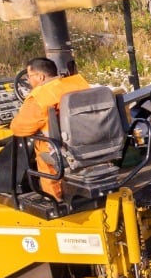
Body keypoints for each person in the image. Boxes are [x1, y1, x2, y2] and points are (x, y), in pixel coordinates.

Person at [9, 57, 92, 199]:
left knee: (40, 146)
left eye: (29, 77)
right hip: (92, 142)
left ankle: (54, 196)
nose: (28, 81)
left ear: (40, 76)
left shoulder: (40, 97)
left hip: (63, 152)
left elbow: (19, 128)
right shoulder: (79, 83)